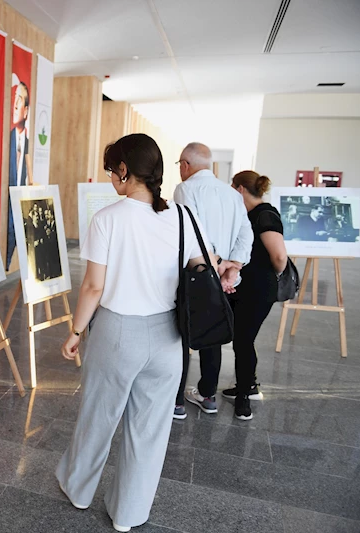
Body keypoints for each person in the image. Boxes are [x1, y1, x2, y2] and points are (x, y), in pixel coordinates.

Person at [56, 133, 226, 532]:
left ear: (124, 170)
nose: (109, 177)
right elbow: (205, 265)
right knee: (149, 432)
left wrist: (76, 330)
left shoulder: (108, 219)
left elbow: (93, 288)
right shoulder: (183, 216)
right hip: (169, 339)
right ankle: (128, 515)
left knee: (97, 418)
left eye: (111, 169)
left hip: (117, 333)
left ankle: (79, 491)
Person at [173, 142, 253, 419]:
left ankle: (177, 402)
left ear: (185, 164)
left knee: (182, 335)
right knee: (212, 334)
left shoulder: (186, 189)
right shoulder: (231, 194)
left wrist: (216, 264)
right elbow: (246, 233)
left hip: (195, 275)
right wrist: (233, 267)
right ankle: (208, 396)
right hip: (224, 280)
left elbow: (191, 233)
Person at [223, 171, 289, 420]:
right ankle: (246, 386)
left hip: (259, 289)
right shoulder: (248, 214)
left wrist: (271, 275)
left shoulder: (265, 215)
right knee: (241, 339)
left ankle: (244, 399)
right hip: (244, 286)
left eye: (231, 187)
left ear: (240, 189)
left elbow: (279, 256)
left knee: (243, 341)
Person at [7, 81, 30, 269]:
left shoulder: (28, 144)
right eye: (13, 99)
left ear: (26, 110)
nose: (14, 105)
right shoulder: (5, 141)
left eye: (19, 100)